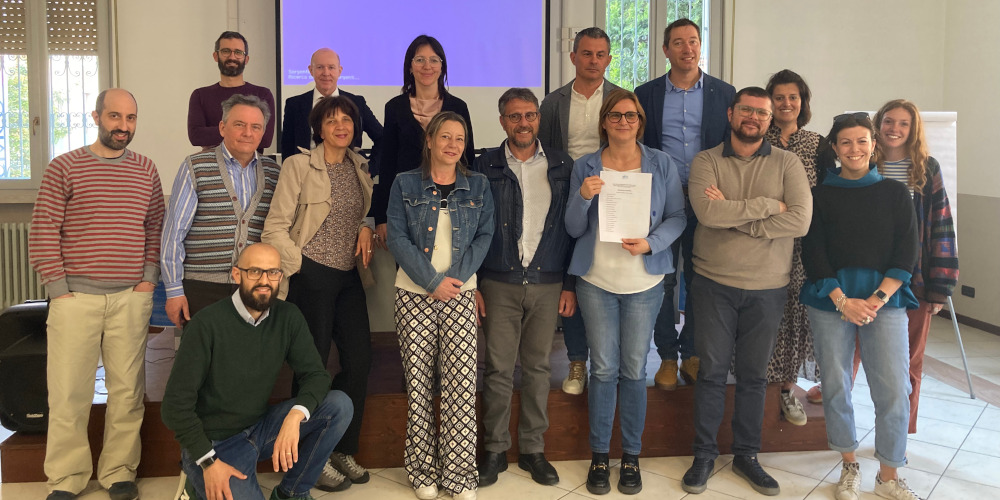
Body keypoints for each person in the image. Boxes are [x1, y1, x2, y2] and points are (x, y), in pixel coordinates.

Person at [29, 89, 164, 500]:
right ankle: (66, 479)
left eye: (130, 118)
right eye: (114, 116)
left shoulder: (146, 169)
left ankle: (119, 473)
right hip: (75, 300)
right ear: (96, 116)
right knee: (69, 393)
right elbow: (44, 230)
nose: (123, 126)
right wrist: (58, 290)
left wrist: (148, 280)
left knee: (127, 392)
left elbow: (155, 228)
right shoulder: (64, 167)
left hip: (130, 297)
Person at [681, 87, 812, 497]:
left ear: (770, 120)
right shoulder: (706, 161)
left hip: (768, 287)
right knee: (711, 373)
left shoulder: (788, 163)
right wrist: (768, 206)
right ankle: (704, 455)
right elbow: (707, 212)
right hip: (713, 283)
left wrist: (736, 216)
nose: (753, 117)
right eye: (746, 110)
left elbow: (801, 221)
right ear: (731, 113)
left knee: (754, 377)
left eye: (761, 112)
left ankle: (746, 456)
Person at [161, 243, 353, 500]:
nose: (265, 281)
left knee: (339, 405)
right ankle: (194, 482)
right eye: (255, 271)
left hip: (260, 428)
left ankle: (292, 493)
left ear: (280, 277)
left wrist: (295, 416)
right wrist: (207, 462)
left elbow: (316, 375)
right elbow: (174, 407)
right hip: (216, 443)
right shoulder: (205, 325)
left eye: (273, 272)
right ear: (237, 274)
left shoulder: (288, 316)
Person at [566, 89, 686, 496]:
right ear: (604, 122)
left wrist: (652, 243)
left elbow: (678, 216)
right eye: (615, 115)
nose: (623, 122)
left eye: (630, 116)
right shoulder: (585, 165)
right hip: (596, 281)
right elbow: (572, 227)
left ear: (640, 121)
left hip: (644, 283)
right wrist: (583, 197)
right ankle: (600, 455)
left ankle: (631, 456)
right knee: (602, 369)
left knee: (634, 370)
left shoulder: (661, 163)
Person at [800, 113, 921, 500]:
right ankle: (849, 465)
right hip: (830, 299)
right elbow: (813, 254)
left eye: (862, 141)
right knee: (836, 386)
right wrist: (842, 301)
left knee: (894, 389)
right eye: (846, 142)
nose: (854, 149)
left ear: (874, 145)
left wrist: (875, 300)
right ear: (835, 148)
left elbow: (907, 252)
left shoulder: (895, 193)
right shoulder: (819, 194)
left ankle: (889, 475)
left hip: (884, 301)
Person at [262, 95, 376, 492]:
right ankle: (310, 457)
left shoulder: (359, 166)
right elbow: (275, 227)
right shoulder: (298, 166)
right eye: (331, 120)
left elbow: (360, 213)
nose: (340, 126)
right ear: (319, 129)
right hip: (311, 276)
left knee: (359, 361)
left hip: (348, 277)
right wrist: (301, 265)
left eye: (347, 120)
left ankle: (342, 447)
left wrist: (366, 225)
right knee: (312, 368)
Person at [386, 111, 494, 500]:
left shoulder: (479, 185)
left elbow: (484, 236)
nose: (452, 145)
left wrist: (454, 282)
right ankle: (421, 470)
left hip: (460, 294)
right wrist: (431, 283)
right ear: (429, 140)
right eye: (445, 137)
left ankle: (459, 475)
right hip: (413, 294)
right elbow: (397, 238)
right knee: (418, 386)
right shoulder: (404, 183)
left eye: (459, 139)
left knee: (461, 386)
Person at [472, 88, 576, 489]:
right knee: (498, 369)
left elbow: (573, 228)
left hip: (548, 281)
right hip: (499, 281)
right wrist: (473, 283)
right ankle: (495, 449)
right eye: (514, 116)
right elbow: (472, 228)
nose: (523, 123)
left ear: (538, 119)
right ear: (502, 121)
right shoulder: (484, 165)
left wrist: (569, 284)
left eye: (530, 115)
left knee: (537, 368)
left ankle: (533, 449)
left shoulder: (562, 165)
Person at [634, 18, 735, 391]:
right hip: (661, 198)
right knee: (662, 277)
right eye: (678, 42)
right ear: (666, 50)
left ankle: (691, 352)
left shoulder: (725, 94)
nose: (687, 48)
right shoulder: (645, 94)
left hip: (708, 198)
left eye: (693, 41)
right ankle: (666, 355)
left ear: (700, 46)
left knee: (699, 279)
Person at [538, 26, 621, 395]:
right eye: (586, 53)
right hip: (569, 198)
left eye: (600, 54)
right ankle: (576, 360)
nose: (593, 60)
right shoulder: (552, 103)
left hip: (614, 197)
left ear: (609, 59)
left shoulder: (621, 99)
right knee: (571, 276)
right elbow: (544, 155)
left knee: (606, 278)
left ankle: (611, 361)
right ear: (573, 57)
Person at [874, 100, 959, 432]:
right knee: (852, 356)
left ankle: (900, 432)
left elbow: (942, 226)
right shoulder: (865, 161)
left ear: (913, 129)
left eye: (903, 123)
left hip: (915, 279)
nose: (894, 129)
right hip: (866, 277)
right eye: (888, 121)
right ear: (878, 124)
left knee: (909, 361)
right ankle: (841, 432)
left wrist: (940, 287)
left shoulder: (927, 168)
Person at [162, 94, 280, 329]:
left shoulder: (274, 173)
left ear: (263, 133)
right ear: (222, 127)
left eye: (256, 127)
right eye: (239, 125)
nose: (248, 133)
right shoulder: (195, 166)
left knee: (252, 352)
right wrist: (174, 291)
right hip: (202, 288)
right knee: (202, 352)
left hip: (255, 287)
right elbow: (173, 234)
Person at [761, 69, 825, 426]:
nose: (786, 103)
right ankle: (758, 385)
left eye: (793, 97)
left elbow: (824, 197)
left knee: (795, 316)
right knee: (764, 313)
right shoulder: (757, 138)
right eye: (779, 97)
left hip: (803, 246)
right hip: (762, 239)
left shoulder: (817, 144)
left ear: (803, 102)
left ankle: (786, 389)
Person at [372, 35, 474, 253]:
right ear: (410, 67)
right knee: (409, 269)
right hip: (406, 207)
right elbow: (387, 164)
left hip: (450, 206)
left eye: (434, 60)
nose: (427, 66)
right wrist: (382, 217)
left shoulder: (458, 107)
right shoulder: (394, 107)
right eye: (420, 60)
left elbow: (468, 161)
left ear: (442, 67)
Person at [280, 48, 383, 164]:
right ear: (311, 70)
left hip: (349, 170)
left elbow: (382, 138)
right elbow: (287, 146)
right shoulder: (294, 104)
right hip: (305, 171)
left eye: (331, 67)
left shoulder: (357, 103)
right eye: (320, 67)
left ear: (339, 71)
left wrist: (371, 168)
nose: (326, 73)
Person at [188, 31, 276, 152]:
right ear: (216, 56)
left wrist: (219, 132)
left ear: (246, 59)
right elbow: (196, 136)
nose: (232, 57)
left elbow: (265, 139)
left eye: (238, 52)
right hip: (211, 162)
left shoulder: (263, 95)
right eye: (226, 51)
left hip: (251, 163)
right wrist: (248, 131)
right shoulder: (200, 95)